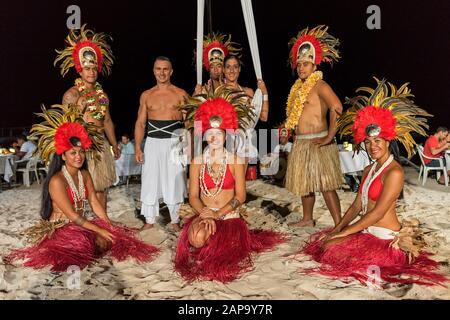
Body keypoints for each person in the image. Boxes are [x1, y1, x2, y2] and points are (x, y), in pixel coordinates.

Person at [300, 78, 447, 287]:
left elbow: (376, 214)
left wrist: (346, 232)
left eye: (377, 140)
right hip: (367, 232)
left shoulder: (394, 172)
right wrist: (338, 228)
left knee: (333, 249)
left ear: (388, 140)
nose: (372, 146)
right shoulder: (369, 169)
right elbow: (357, 205)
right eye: (368, 142)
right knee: (327, 245)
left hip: (385, 240)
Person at [4, 105, 159, 272]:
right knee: (93, 242)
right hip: (62, 228)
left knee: (112, 236)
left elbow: (93, 200)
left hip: (80, 225)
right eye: (73, 153)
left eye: (81, 152)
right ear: (63, 155)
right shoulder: (57, 181)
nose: (78, 157)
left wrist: (107, 223)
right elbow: (72, 215)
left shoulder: (84, 174)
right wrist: (99, 229)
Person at [174, 86, 286, 283]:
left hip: (228, 216)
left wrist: (218, 214)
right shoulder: (197, 161)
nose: (214, 138)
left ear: (226, 134)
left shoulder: (236, 161)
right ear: (204, 134)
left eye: (219, 133)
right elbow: (193, 196)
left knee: (223, 251)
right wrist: (205, 213)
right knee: (196, 238)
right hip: (205, 212)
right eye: (210, 133)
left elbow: (240, 197)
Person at [55, 24, 120, 212]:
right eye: (87, 68)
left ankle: (103, 225)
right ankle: (80, 226)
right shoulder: (71, 95)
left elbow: (107, 121)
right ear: (79, 70)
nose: (91, 72)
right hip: (81, 147)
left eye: (94, 68)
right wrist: (79, 106)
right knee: (79, 188)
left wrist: (114, 144)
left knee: (101, 187)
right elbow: (66, 126)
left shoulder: (102, 95)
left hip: (101, 144)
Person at [284, 25, 344, 227]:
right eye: (299, 64)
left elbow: (337, 107)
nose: (301, 68)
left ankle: (338, 223)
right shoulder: (297, 89)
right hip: (301, 143)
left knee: (326, 185)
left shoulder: (320, 86)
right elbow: (296, 116)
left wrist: (329, 136)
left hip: (319, 142)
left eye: (306, 64)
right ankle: (307, 219)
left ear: (314, 66)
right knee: (305, 184)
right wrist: (287, 130)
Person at [134, 56, 188, 231]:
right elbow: (141, 123)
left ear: (171, 71)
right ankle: (149, 220)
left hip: (174, 142)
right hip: (152, 142)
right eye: (158, 69)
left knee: (175, 179)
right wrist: (137, 148)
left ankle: (174, 219)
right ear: (154, 71)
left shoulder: (181, 94)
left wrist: (188, 147)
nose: (162, 72)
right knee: (150, 179)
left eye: (165, 69)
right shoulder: (147, 95)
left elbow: (189, 123)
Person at [223, 55, 268, 166]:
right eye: (228, 67)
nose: (232, 70)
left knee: (240, 181)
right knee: (227, 180)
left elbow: (263, 117)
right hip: (225, 142)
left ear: (239, 69)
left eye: (235, 67)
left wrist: (264, 93)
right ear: (223, 70)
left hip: (244, 142)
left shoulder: (248, 92)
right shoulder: (219, 93)